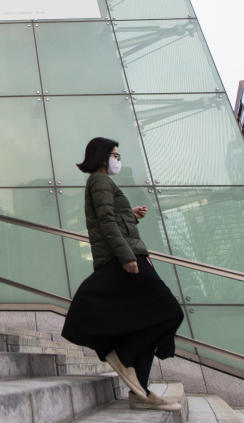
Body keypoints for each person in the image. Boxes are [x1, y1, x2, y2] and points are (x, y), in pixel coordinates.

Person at [61, 137, 184, 412]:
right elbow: (104, 221)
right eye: (115, 155)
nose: (118, 159)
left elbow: (108, 216)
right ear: (102, 156)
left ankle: (140, 391)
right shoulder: (100, 180)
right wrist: (127, 256)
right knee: (170, 312)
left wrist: (130, 214)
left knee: (143, 321)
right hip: (127, 257)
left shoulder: (101, 182)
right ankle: (123, 356)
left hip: (130, 253)